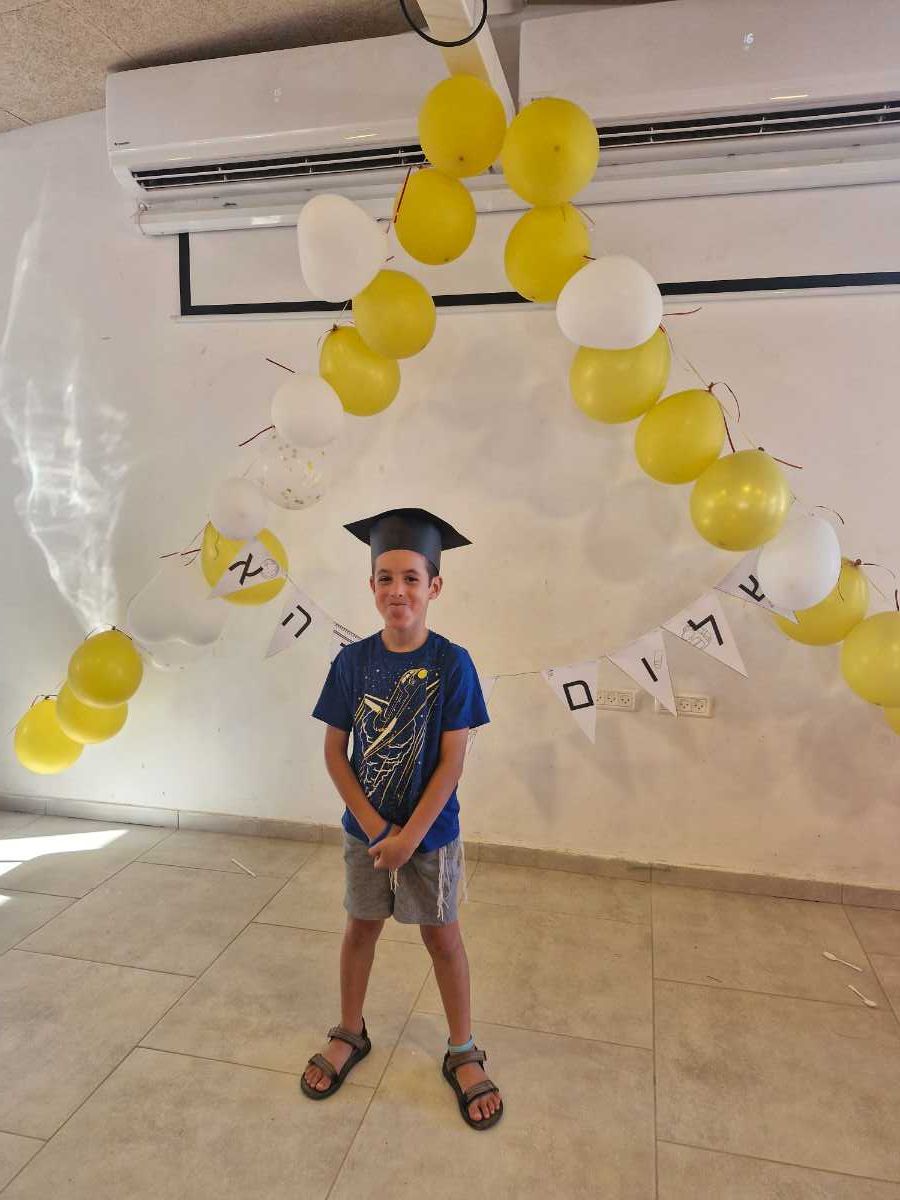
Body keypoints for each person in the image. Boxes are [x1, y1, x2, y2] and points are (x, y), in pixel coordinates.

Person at [301, 507, 503, 1130]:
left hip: (431, 837)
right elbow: (335, 752)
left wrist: (408, 837)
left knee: (442, 938)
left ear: (434, 586)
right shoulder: (352, 663)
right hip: (365, 834)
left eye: (411, 578)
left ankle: (462, 1048)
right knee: (360, 928)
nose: (398, 591)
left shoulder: (453, 664)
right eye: (385, 578)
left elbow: (452, 762)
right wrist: (376, 830)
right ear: (371, 585)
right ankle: (350, 1030)